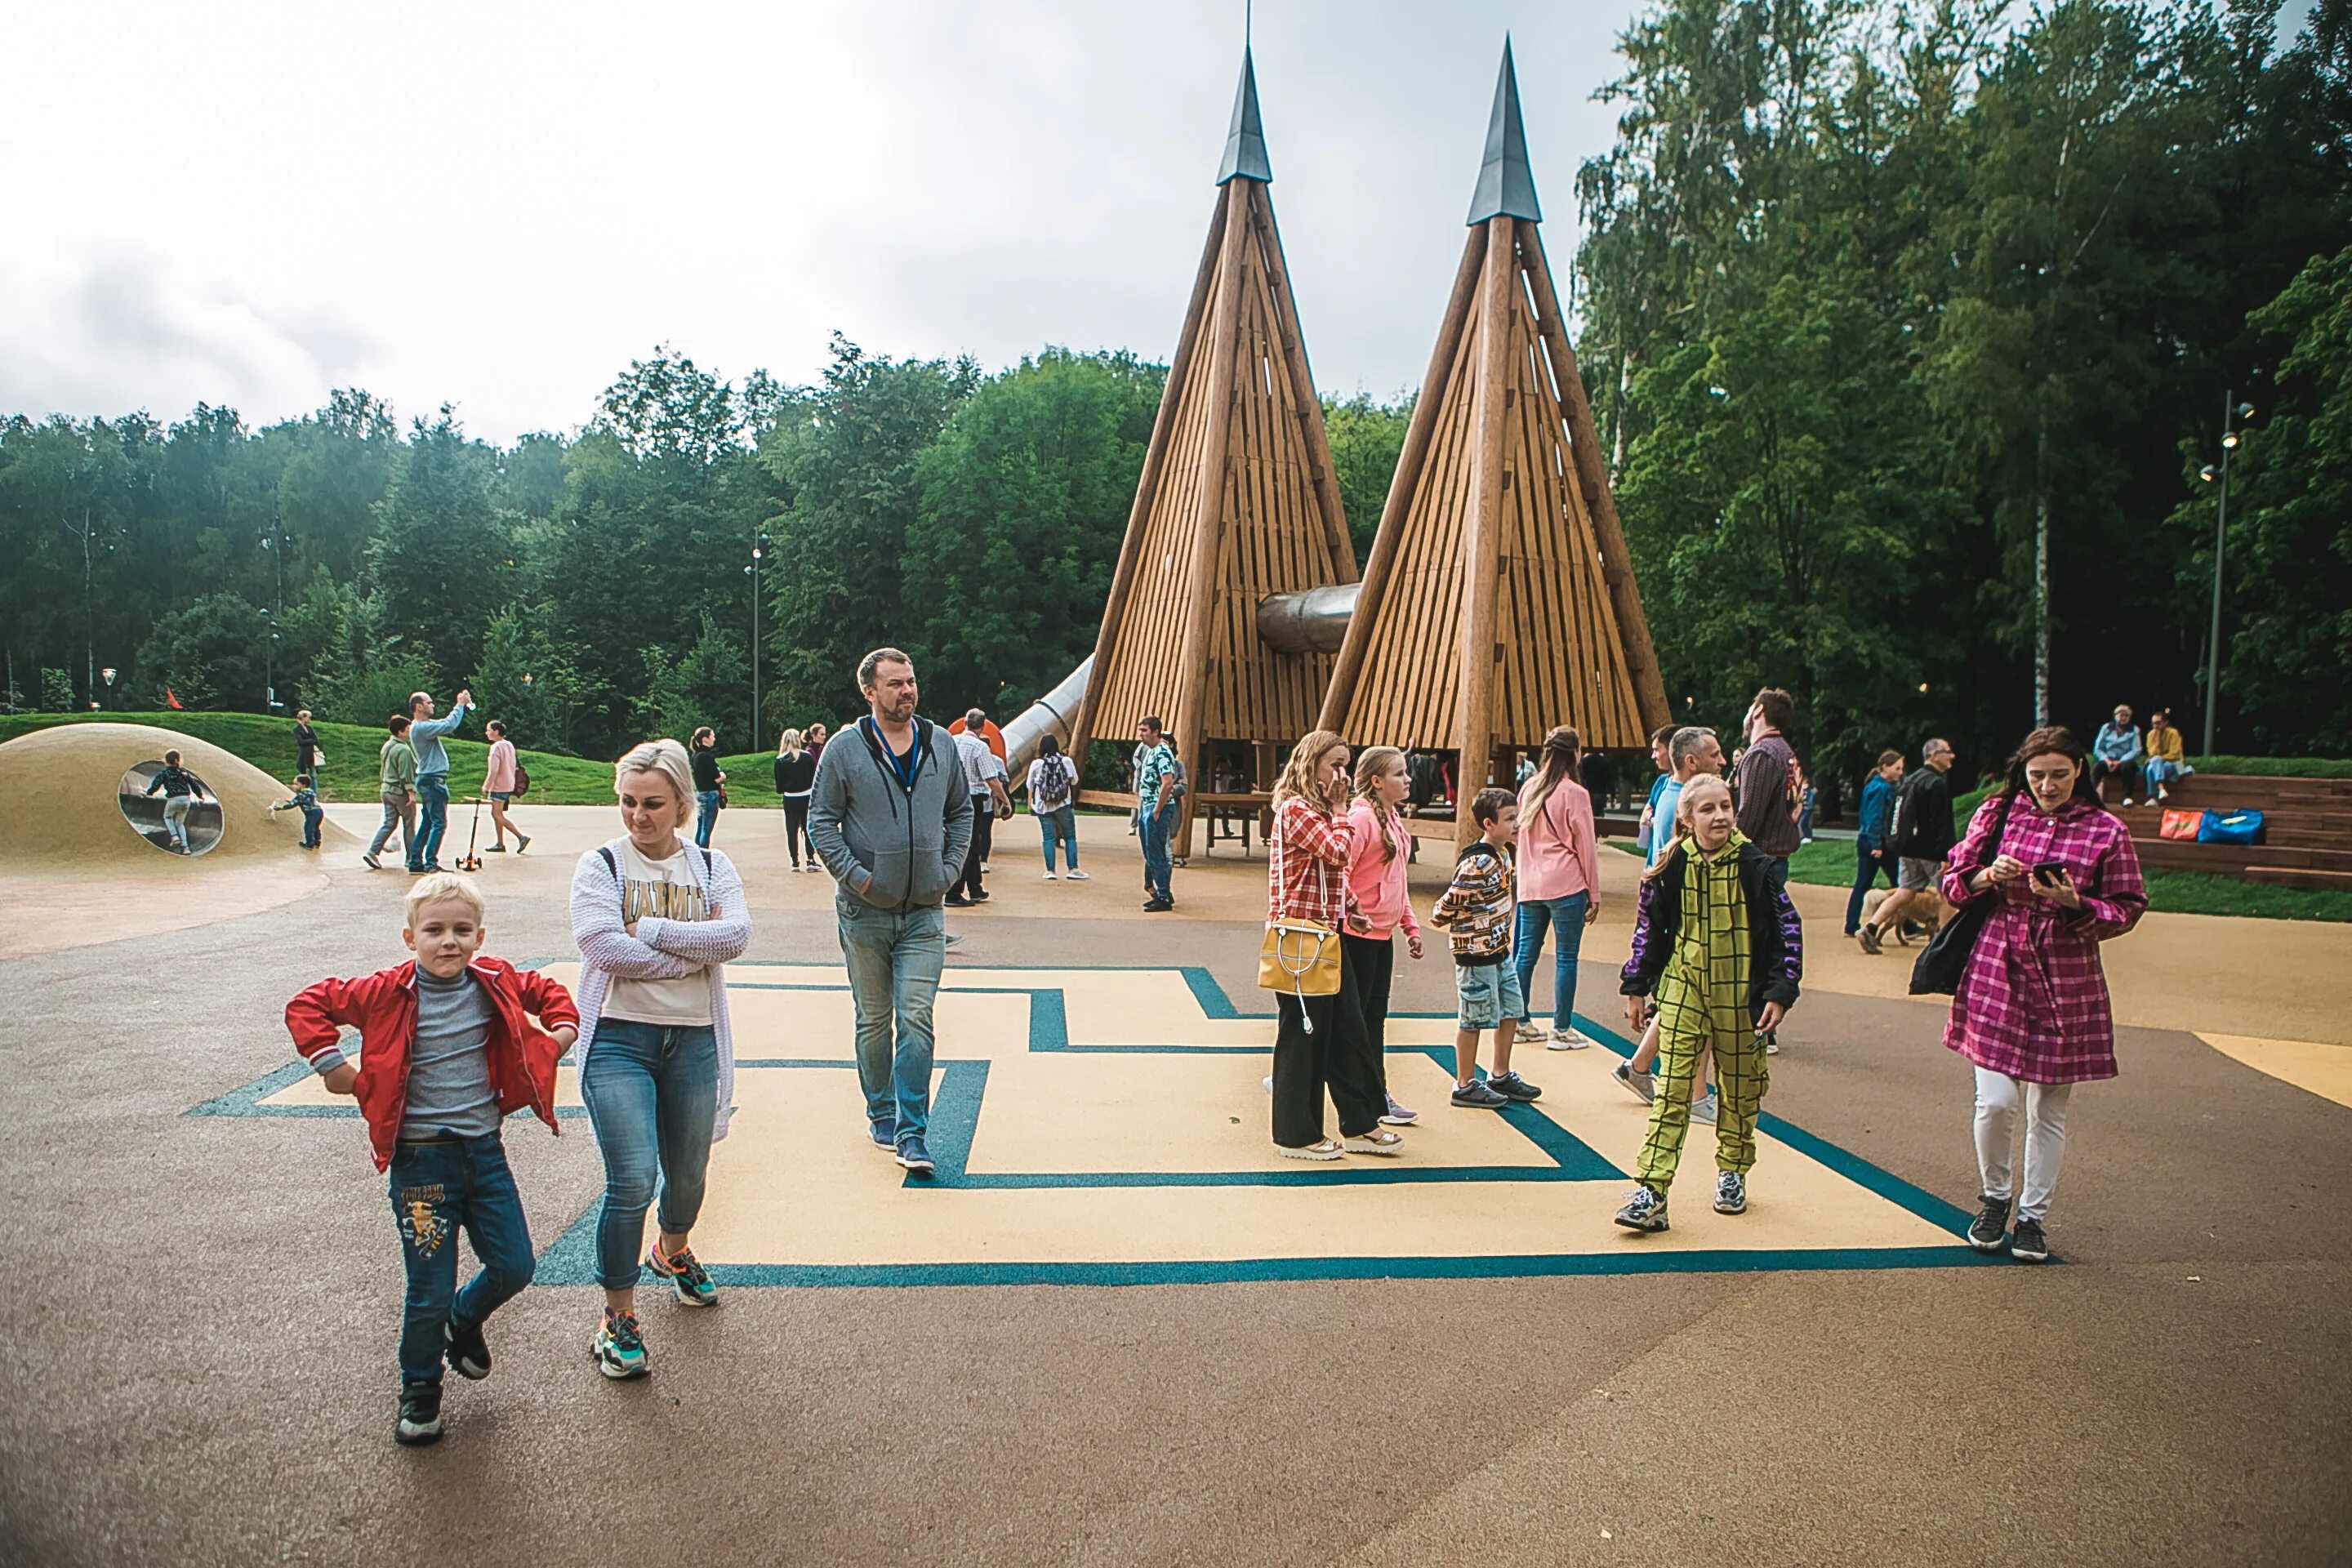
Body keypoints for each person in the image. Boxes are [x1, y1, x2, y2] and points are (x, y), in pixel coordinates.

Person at [283, 873, 579, 1446]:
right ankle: (420, 1384)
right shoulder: (384, 992)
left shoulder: (493, 979)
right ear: (409, 937)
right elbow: (309, 1003)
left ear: (480, 936)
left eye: (462, 930)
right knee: (428, 1286)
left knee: (516, 1266)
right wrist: (332, 1067)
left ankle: (462, 1320)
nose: (450, 941)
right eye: (435, 930)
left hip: (484, 1155)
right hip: (421, 1166)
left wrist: (559, 1034)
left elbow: (546, 992)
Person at [568, 739, 751, 1379]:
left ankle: (671, 1252)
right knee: (633, 1181)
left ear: (681, 803)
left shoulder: (708, 863)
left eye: (652, 804)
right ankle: (616, 1315)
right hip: (619, 1039)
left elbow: (736, 936)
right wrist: (691, 952)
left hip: (692, 1039)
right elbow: (600, 947)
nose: (638, 816)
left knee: (690, 1174)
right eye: (627, 802)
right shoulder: (601, 866)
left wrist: (649, 930)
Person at [1942, 726, 2146, 1263]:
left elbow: (2128, 907)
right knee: (1996, 1102)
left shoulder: (2107, 831)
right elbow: (1953, 882)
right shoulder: (1997, 813)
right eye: (2037, 775)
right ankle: (1995, 1198)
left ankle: (2032, 1217)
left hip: (2066, 971)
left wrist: (2077, 903)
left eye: (2059, 774)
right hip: (1998, 963)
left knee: (2048, 1108)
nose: (2048, 785)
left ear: (2079, 769)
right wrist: (1987, 874)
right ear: (2023, 773)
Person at [1612, 776, 1803, 1233]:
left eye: (1726, 806)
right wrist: (1637, 984)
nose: (1719, 816)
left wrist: (1780, 991)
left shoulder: (1756, 866)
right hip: (1684, 986)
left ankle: (1733, 1170)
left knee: (1740, 1089)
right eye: (1708, 809)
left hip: (1741, 994)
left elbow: (1787, 932)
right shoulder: (1670, 864)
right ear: (1686, 817)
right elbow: (1649, 929)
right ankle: (1652, 1191)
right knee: (1673, 1090)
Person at [808, 648, 973, 1175]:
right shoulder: (843, 750)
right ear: (870, 691)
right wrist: (858, 877)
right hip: (864, 914)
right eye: (895, 683)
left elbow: (961, 810)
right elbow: (821, 823)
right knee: (875, 1020)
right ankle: (880, 1111)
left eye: (911, 681)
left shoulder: (940, 744)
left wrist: (947, 872)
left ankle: (912, 1132)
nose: (907, 690)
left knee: (917, 1019)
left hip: (926, 911)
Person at [1264, 730, 1400, 1160]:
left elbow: (1332, 874)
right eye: (1334, 765)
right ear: (1311, 764)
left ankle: (1360, 1122)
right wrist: (1342, 809)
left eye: (1345, 764)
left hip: (1326, 932)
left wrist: (1352, 906)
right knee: (1303, 1034)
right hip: (1299, 938)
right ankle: (1295, 1133)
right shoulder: (1295, 809)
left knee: (1347, 1029)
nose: (1342, 774)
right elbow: (1338, 853)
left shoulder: (1321, 810)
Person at [1615, 725, 1728, 1116]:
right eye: (1715, 754)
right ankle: (1694, 1094)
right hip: (1684, 927)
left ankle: (1640, 1067)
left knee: (1682, 1006)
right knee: (1697, 1012)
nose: (1723, 760)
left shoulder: (1670, 793)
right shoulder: (1682, 804)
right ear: (1693, 761)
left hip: (1678, 923)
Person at [1432, 787, 1540, 1110]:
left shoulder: (1504, 854)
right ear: (1489, 824)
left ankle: (1500, 1073)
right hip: (1475, 953)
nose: (1517, 824)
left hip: (1499, 950)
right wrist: (1440, 918)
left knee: (1511, 1009)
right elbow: (1450, 901)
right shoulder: (1478, 862)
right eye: (1510, 819)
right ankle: (1464, 1083)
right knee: (1474, 1017)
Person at [1345, 746, 1426, 1126]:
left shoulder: (1393, 820)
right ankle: (1296, 1076)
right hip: (1356, 934)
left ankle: (1377, 1093)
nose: (1407, 779)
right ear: (1377, 781)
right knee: (1354, 1019)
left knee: (1373, 1017)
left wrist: (1409, 925)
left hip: (1382, 935)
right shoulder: (1361, 819)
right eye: (1398, 773)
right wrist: (1354, 909)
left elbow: (1397, 882)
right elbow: (1340, 871)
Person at [1514, 726, 1601, 1051]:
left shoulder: (1529, 789)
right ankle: (1561, 1029)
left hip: (1531, 884)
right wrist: (1594, 893)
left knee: (1525, 955)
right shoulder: (1575, 793)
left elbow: (1519, 838)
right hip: (1566, 883)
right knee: (1566, 957)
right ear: (1575, 753)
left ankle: (1519, 1020)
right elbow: (1586, 847)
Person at [1862, 737, 1958, 955]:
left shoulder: (1910, 780)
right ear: (1934, 755)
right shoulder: (1936, 783)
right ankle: (1942, 945)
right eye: (1948, 752)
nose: (1952, 756)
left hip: (1908, 849)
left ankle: (1870, 928)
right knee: (1948, 895)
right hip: (1931, 851)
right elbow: (1939, 822)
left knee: (1905, 892)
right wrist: (1946, 853)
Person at [1735, 688, 1801, 891]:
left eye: (1749, 709)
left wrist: (1722, 851)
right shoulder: (1785, 751)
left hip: (1758, 861)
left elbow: (1749, 818)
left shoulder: (1762, 753)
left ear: (1758, 711)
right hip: (1775, 859)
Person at [948, 710, 1012, 906]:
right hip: (973, 798)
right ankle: (954, 892)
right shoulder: (979, 747)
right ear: (982, 727)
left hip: (951, 796)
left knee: (968, 841)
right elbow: (991, 779)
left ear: (965, 722)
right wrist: (1005, 801)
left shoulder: (951, 741)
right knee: (967, 843)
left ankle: (975, 887)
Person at [407, 688, 473, 875]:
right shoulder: (421, 727)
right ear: (419, 707)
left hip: (427, 779)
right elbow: (449, 725)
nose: (432, 704)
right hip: (433, 780)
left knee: (428, 823)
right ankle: (430, 863)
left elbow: (444, 723)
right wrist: (460, 704)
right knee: (439, 823)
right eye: (429, 702)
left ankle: (415, 862)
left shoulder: (421, 726)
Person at [1846, 750, 1905, 941]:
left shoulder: (1873, 785)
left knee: (1864, 882)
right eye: (1897, 768)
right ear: (1885, 767)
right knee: (1902, 884)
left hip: (1868, 840)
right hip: (1878, 842)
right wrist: (1876, 844)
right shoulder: (1881, 788)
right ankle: (1909, 924)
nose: (1900, 772)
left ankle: (1851, 924)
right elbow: (1875, 819)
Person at [1027, 733, 1086, 880]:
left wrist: (1031, 803)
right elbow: (1075, 781)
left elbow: (1030, 785)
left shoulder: (1037, 764)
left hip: (1043, 805)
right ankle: (1073, 869)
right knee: (1070, 836)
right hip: (1063, 804)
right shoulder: (1066, 761)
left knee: (1048, 838)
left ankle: (1050, 871)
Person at [1134, 716, 1178, 911]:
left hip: (1156, 806)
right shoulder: (1150, 752)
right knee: (1149, 851)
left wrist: (1157, 809)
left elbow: (1167, 782)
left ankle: (1163, 896)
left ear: (1155, 731)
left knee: (1156, 852)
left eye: (1144, 730)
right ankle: (1162, 891)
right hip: (1147, 805)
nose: (1141, 734)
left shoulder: (1162, 752)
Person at [366, 715, 418, 872]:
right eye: (408, 730)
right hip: (399, 792)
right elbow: (406, 774)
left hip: (386, 789)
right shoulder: (403, 749)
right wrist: (411, 793)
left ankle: (372, 851)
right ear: (400, 732)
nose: (410, 733)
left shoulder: (387, 746)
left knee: (389, 823)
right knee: (409, 824)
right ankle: (412, 859)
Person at [773, 728, 819, 871]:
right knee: (808, 829)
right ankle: (811, 859)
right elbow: (814, 777)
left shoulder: (781, 760)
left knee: (791, 830)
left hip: (790, 798)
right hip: (807, 796)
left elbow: (779, 786)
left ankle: (795, 861)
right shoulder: (807, 757)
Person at [143, 750, 206, 853]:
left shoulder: (164, 774)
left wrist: (148, 794)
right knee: (180, 824)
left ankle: (174, 836)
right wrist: (200, 796)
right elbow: (194, 785)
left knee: (167, 817)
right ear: (179, 761)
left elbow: (155, 785)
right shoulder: (184, 773)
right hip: (186, 800)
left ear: (166, 761)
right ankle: (186, 848)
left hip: (174, 799)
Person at [481, 720, 529, 855]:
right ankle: (500, 843)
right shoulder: (509, 745)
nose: (487, 733)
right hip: (509, 783)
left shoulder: (496, 747)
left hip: (499, 785)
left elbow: (494, 769)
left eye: (489, 730)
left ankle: (521, 837)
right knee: (498, 814)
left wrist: (486, 785)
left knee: (496, 814)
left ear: (496, 732)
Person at [1634, 724, 1677, 858]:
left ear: (1672, 750)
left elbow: (1648, 814)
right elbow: (1646, 812)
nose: (1653, 756)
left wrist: (1650, 818)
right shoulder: (1661, 782)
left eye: (1657, 750)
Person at [2091, 705, 2143, 806]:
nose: (2123, 718)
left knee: (2128, 767)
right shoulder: (2106, 728)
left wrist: (2120, 761)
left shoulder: (2134, 730)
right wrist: (2107, 760)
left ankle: (2126, 797)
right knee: (2097, 767)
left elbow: (2136, 750)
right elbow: (2097, 748)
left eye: (2126, 716)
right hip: (2108, 760)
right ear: (2115, 716)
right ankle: (2091, 796)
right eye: (2121, 715)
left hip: (2124, 761)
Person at [2142, 709, 2190, 802]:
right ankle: (2161, 790)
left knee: (2152, 766)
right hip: (2159, 766)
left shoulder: (2173, 733)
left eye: (2158, 723)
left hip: (2174, 764)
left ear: (2165, 722)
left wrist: (2158, 759)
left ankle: (2152, 797)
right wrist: (2156, 744)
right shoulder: (2151, 734)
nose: (2155, 726)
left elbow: (2175, 755)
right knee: (2151, 768)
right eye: (2153, 724)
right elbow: (2151, 754)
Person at [688, 728, 724, 849]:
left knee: (701, 827)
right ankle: (703, 854)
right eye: (712, 736)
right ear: (705, 739)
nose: (714, 739)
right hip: (709, 794)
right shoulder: (706, 756)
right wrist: (723, 776)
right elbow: (716, 777)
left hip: (700, 793)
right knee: (707, 829)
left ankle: (696, 852)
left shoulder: (696, 756)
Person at [270, 773, 325, 849]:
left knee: (308, 828)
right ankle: (317, 842)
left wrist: (280, 807)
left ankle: (309, 844)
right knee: (316, 827)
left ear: (304, 785)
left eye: (296, 784)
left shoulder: (300, 795)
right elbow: (306, 800)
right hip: (319, 812)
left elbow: (291, 805)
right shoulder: (311, 791)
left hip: (311, 813)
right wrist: (293, 801)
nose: (294, 786)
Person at [293, 710, 322, 778]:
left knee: (313, 775)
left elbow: (316, 740)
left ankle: (314, 789)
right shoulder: (297, 729)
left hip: (312, 753)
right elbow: (301, 742)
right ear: (303, 717)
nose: (309, 719)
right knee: (304, 774)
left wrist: (309, 741)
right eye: (308, 717)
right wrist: (311, 740)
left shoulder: (309, 728)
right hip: (304, 753)